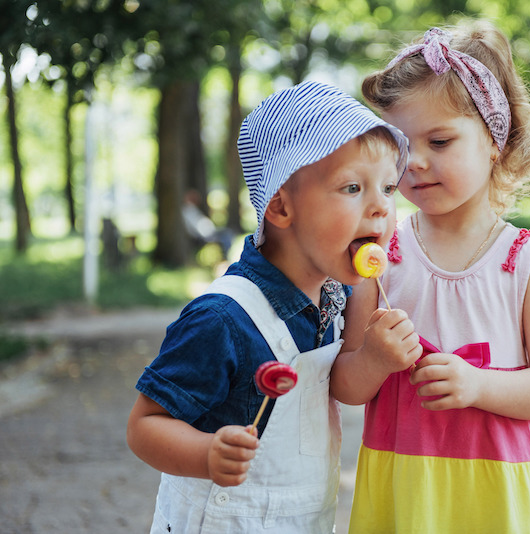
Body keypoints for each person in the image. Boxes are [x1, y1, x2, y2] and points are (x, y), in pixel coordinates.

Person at [126, 81, 418, 534]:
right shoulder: (222, 318)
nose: (381, 207)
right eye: (353, 187)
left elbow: (344, 386)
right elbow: (145, 425)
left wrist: (375, 359)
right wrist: (206, 454)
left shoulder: (333, 297)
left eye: (388, 187)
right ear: (281, 207)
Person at [330, 21, 530, 533]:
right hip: (406, 490)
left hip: (498, 495)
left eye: (440, 141)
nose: (417, 162)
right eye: (402, 146)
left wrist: (478, 385)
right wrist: (375, 359)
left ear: (495, 140)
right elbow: (346, 385)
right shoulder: (380, 258)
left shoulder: (523, 262)